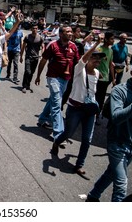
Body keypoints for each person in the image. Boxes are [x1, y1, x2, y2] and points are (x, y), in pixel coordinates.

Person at [86, 58, 132, 202]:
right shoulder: (120, 91)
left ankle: (93, 196)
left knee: (111, 173)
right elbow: (116, 117)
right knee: (121, 186)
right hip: (117, 144)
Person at [51, 35, 105, 179]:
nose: (97, 61)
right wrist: (97, 44)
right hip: (75, 109)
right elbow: (83, 59)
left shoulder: (98, 73)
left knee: (87, 139)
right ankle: (57, 141)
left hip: (89, 110)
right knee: (68, 133)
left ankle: (79, 165)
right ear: (87, 59)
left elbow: (92, 92)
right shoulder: (79, 69)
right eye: (94, 58)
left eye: (99, 59)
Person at [35, 25, 80, 141]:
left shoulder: (73, 47)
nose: (70, 33)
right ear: (60, 34)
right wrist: (38, 76)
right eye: (67, 32)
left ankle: (42, 118)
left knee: (53, 99)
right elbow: (43, 60)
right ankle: (59, 134)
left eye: (71, 32)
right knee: (57, 103)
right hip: (53, 77)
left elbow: (78, 64)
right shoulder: (53, 45)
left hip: (66, 79)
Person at [94, 32, 115, 115]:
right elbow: (93, 63)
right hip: (96, 78)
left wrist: (113, 79)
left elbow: (110, 65)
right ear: (106, 39)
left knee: (101, 98)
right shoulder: (99, 49)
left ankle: (97, 114)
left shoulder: (111, 51)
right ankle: (91, 114)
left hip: (105, 79)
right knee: (94, 96)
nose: (113, 41)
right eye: (111, 39)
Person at [20, 24, 44, 93]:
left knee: (32, 72)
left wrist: (42, 54)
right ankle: (24, 86)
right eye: (33, 28)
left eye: (36, 28)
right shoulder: (27, 37)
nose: (35, 30)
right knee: (27, 71)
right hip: (28, 56)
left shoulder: (40, 38)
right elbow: (23, 47)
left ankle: (28, 85)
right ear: (31, 29)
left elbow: (42, 47)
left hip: (35, 58)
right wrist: (21, 56)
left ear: (37, 29)